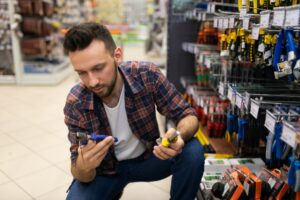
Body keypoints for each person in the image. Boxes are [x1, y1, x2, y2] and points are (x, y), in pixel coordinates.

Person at [63, 22, 204, 200]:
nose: (92, 82)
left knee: (192, 151)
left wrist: (179, 136)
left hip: (149, 159)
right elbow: (79, 170)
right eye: (82, 73)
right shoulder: (76, 102)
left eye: (98, 68)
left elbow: (187, 115)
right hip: (106, 171)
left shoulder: (146, 75)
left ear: (117, 56)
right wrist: (85, 165)